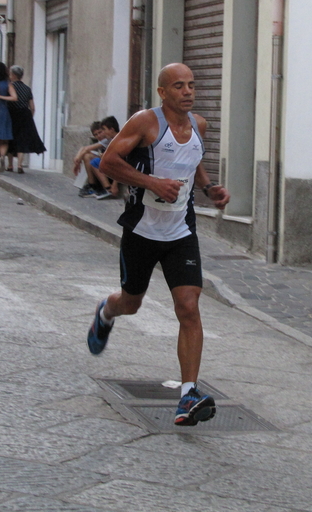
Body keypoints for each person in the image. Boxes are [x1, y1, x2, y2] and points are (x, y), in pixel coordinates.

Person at [87, 62, 230, 427]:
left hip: (181, 232)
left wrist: (209, 187)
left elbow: (191, 162)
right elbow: (108, 161)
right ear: (163, 93)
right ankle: (106, 312)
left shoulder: (199, 125)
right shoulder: (145, 123)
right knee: (130, 303)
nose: (188, 91)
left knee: (189, 306)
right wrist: (151, 183)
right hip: (141, 231)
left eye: (192, 85)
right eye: (178, 86)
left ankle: (187, 396)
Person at [0, 65, 46, 173]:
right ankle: (20, 165)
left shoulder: (10, 87)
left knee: (10, 138)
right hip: (25, 114)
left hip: (11, 114)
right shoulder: (27, 89)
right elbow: (32, 107)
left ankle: (10, 165)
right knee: (22, 140)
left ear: (13, 75)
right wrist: (29, 116)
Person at [73, 117, 119, 199]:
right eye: (96, 134)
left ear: (111, 129)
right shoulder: (109, 139)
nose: (100, 135)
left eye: (102, 131)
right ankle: (92, 186)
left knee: (94, 161)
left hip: (116, 170)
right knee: (87, 156)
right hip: (110, 167)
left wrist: (114, 185)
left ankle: (107, 189)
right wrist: (77, 161)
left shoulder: (114, 140)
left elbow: (120, 162)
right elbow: (84, 148)